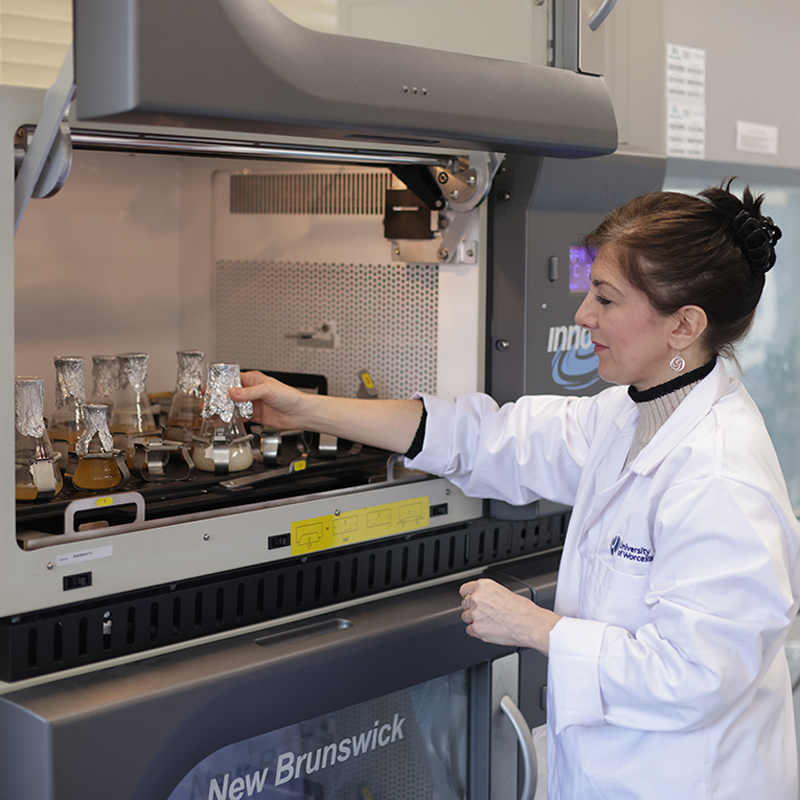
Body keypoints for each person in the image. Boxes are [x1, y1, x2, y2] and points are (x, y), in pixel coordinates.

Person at [230, 181, 800, 799]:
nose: (583, 315)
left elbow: (697, 676)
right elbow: (491, 439)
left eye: (605, 300)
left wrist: (536, 626)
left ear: (684, 324)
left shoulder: (719, 476)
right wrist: (308, 410)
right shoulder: (628, 415)